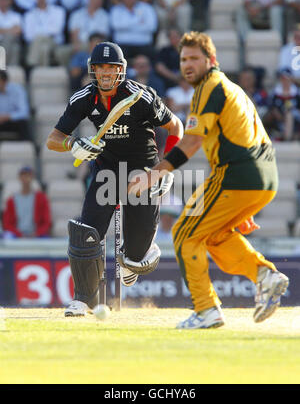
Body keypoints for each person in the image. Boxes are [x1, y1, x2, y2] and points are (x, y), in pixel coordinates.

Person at [128, 31, 289, 329]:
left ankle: (206, 310)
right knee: (213, 235)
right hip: (264, 177)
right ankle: (266, 276)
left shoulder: (208, 88)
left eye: (194, 58)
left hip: (236, 174)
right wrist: (247, 203)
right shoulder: (232, 88)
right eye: (183, 59)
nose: (187, 65)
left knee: (183, 234)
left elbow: (190, 143)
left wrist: (154, 174)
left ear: (211, 60)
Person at [46, 41, 183, 317]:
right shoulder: (84, 98)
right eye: (100, 68)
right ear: (92, 70)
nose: (106, 73)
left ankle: (135, 258)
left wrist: (164, 169)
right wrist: (73, 144)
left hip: (142, 173)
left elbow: (175, 126)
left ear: (121, 70)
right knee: (86, 233)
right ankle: (82, 300)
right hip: (107, 170)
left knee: (134, 258)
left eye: (112, 68)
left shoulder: (140, 96)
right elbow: (53, 140)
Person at [2, 166, 52, 239]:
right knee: (7, 237)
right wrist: (19, 234)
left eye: (28, 175)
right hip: (16, 235)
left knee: (47, 241)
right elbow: (7, 223)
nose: (26, 178)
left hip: (37, 234)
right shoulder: (11, 200)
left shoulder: (41, 198)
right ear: (19, 178)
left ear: (32, 177)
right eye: (23, 175)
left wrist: (36, 233)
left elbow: (47, 222)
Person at [22, 0, 66, 67]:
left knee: (39, 38)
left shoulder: (58, 11)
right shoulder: (29, 14)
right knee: (44, 48)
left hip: (54, 42)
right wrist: (47, 30)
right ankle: (44, 73)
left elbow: (56, 30)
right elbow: (28, 36)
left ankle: (31, 65)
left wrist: (37, 31)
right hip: (35, 43)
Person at [263, 67, 300, 140]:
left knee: (289, 115)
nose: (285, 81)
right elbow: (270, 107)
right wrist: (275, 112)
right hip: (278, 120)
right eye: (283, 79)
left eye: (287, 79)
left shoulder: (297, 94)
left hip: (295, 121)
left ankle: (288, 138)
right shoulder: (274, 94)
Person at [0, 70, 30, 141]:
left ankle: (26, 147)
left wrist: (7, 117)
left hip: (12, 121)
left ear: (4, 81)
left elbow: (24, 112)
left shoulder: (17, 90)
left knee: (23, 123)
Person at [0, 0, 22, 66]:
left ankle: (3, 66)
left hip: (11, 41)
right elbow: (15, 30)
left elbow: (18, 31)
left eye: (5, 0)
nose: (3, 2)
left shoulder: (16, 15)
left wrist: (3, 30)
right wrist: (11, 29)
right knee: (14, 47)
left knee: (15, 46)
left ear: (10, 1)